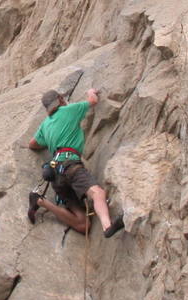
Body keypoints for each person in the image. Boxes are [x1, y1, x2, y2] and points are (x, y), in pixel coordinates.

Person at [27, 88, 124, 238]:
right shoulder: (69, 110)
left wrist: (51, 140)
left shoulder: (45, 125)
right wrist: (90, 91)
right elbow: (93, 101)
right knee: (97, 193)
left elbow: (32, 144)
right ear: (60, 100)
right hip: (70, 166)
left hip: (56, 175)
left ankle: (40, 201)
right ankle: (107, 226)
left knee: (83, 224)